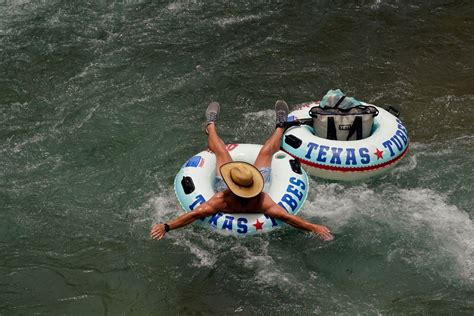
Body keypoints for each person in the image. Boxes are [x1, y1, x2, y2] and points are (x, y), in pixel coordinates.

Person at [150, 101, 334, 241]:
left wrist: (313, 227)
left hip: (256, 181)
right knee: (222, 150)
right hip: (244, 182)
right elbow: (194, 214)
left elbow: (288, 218)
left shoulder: (259, 200)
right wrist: (167, 227)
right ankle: (210, 126)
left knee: (265, 151)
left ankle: (280, 126)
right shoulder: (223, 199)